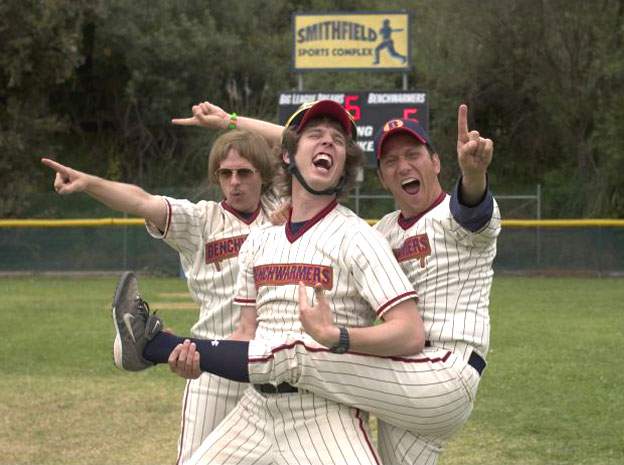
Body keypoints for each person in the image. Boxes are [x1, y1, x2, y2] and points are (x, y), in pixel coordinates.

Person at [117, 101, 501, 465]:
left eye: (413, 155)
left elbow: (472, 206)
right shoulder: (375, 231)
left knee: (297, 351)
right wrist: (194, 357)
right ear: (380, 175)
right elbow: (246, 334)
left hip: (406, 382)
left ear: (436, 162)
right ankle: (165, 345)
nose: (328, 143)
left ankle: (153, 345)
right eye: (391, 161)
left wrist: (473, 173)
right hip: (268, 405)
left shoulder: (401, 229)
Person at [42, 129, 278, 465]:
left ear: (263, 175)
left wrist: (230, 120)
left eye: (244, 172)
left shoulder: (283, 212)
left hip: (271, 368)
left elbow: (302, 140)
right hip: (212, 368)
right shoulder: (201, 220)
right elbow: (141, 200)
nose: (234, 182)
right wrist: (89, 183)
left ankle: (149, 347)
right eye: (225, 174)